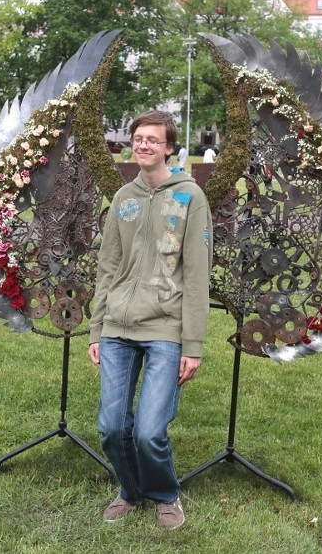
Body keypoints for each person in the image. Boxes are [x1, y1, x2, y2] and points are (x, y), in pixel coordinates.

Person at [88, 110, 212, 530]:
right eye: (138, 138)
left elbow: (196, 275)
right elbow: (107, 268)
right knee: (110, 427)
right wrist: (96, 330)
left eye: (153, 140)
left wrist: (192, 344)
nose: (143, 145)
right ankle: (130, 490)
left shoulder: (190, 198)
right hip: (118, 329)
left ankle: (165, 494)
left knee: (148, 431)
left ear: (170, 148)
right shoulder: (123, 199)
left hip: (165, 328)